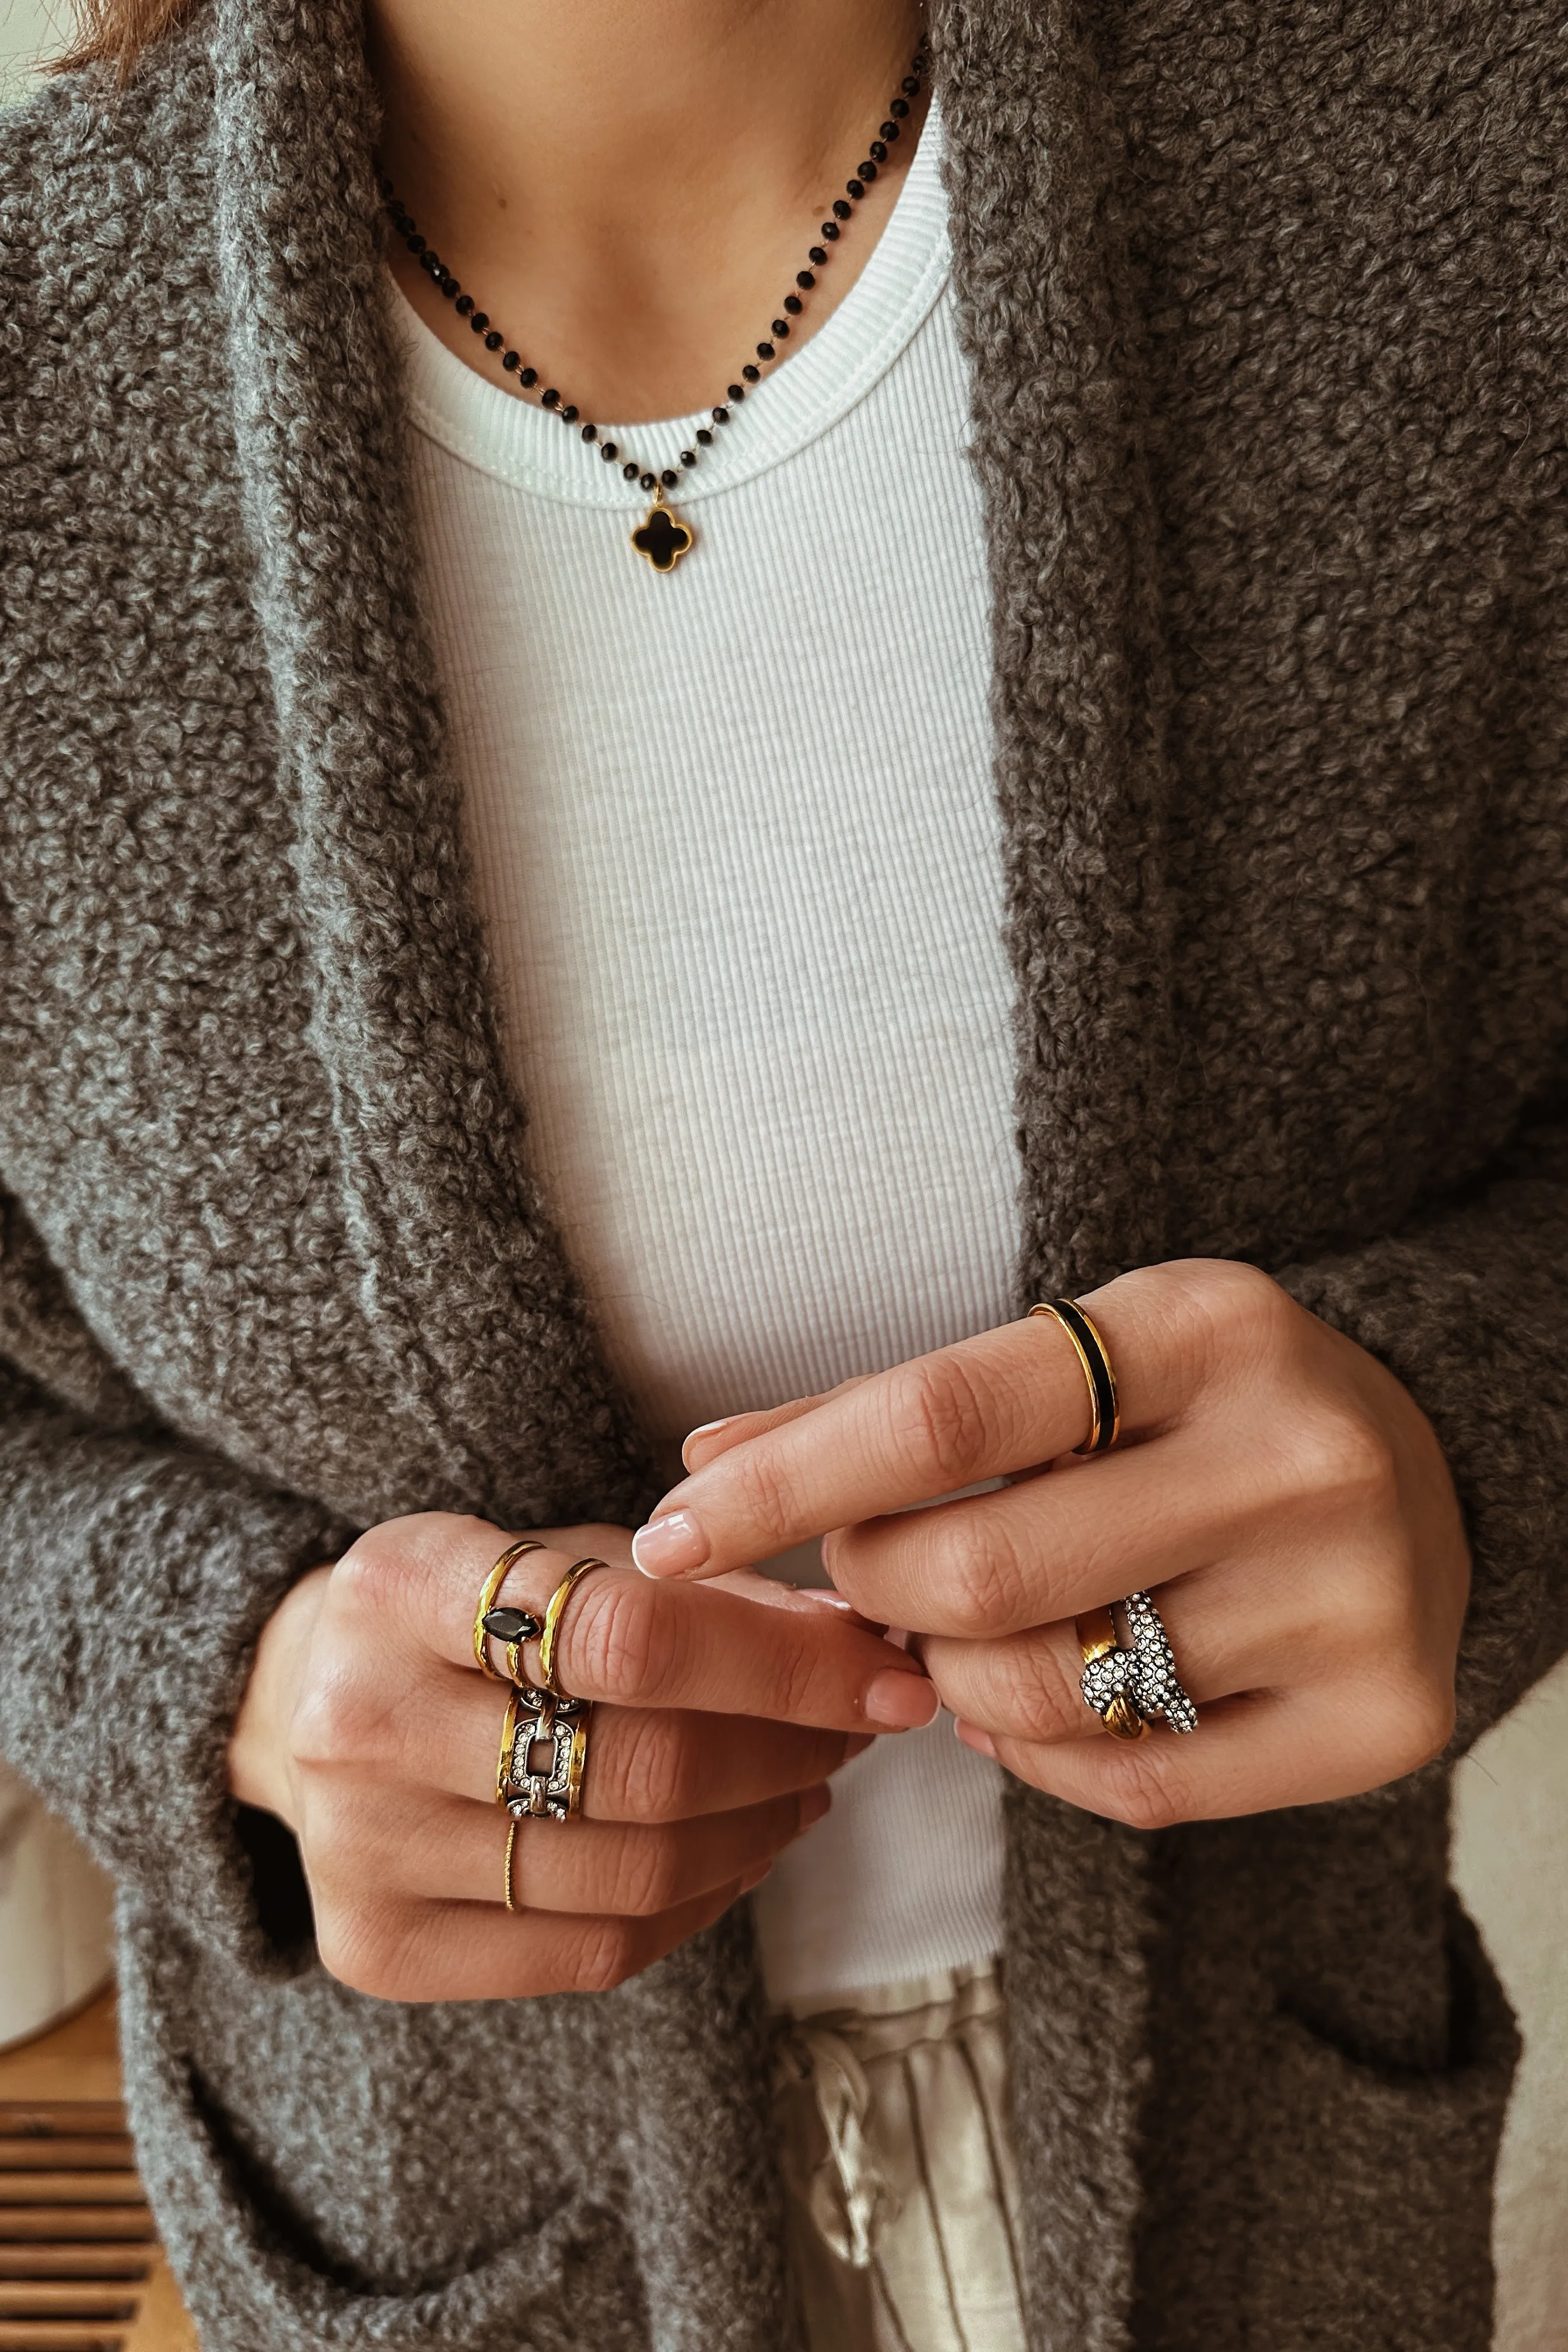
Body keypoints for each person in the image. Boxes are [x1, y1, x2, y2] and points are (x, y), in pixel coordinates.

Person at [2, 0, 1564, 2344]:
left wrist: (1480, 1438)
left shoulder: (1481, 200)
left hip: (1304, 2199)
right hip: (420, 2244)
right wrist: (213, 1684)